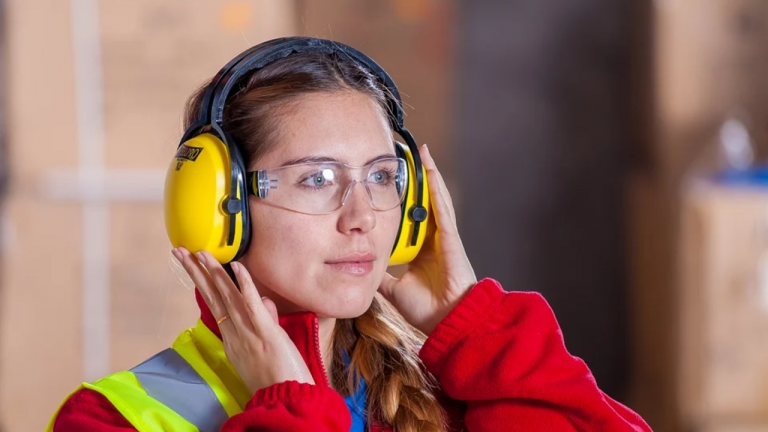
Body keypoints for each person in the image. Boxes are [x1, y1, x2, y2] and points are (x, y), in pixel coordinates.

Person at [47, 37, 651, 432]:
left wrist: (477, 330)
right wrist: (287, 405)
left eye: (382, 176)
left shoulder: (453, 391)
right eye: (317, 179)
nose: (362, 216)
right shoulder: (111, 418)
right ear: (217, 207)